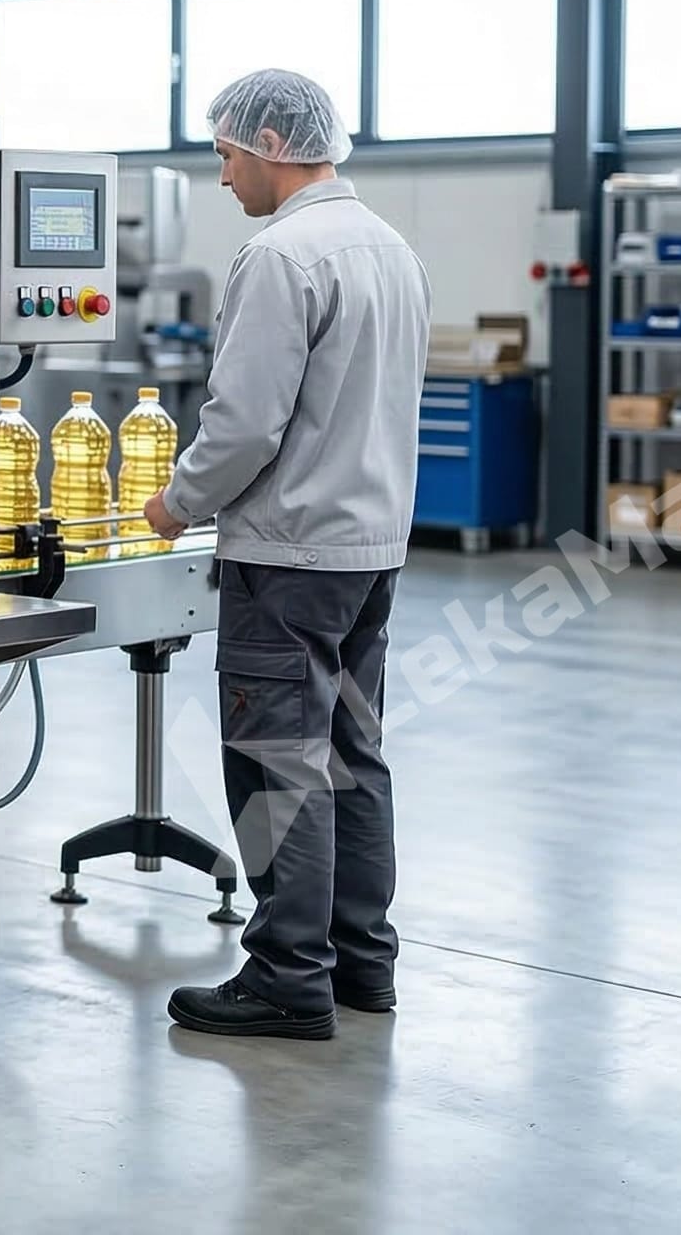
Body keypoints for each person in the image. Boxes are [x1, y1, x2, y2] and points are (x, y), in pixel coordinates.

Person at [142, 68, 431, 1041]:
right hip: (370, 551)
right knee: (352, 755)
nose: (223, 176)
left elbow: (244, 425)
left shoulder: (280, 256)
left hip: (290, 556)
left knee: (277, 764)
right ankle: (361, 964)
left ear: (271, 142)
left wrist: (177, 502)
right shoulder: (390, 248)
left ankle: (286, 978)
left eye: (226, 154)